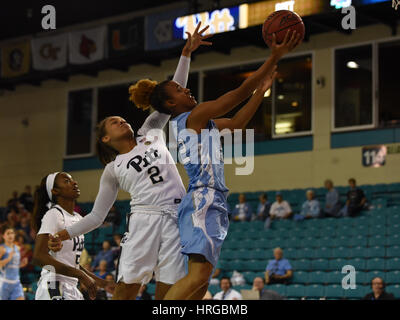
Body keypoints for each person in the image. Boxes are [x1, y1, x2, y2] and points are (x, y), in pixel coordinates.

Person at [130, 30, 301, 300]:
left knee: (201, 282)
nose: (185, 88)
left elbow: (236, 123)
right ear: (172, 103)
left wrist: (261, 91)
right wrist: (273, 58)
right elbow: (235, 96)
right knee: (198, 278)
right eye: (179, 89)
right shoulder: (192, 117)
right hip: (203, 196)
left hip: (211, 198)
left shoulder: (199, 123)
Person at [48, 24, 211, 300]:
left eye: (121, 118)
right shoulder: (113, 169)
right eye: (114, 122)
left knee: (169, 292)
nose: (121, 120)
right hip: (144, 219)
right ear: (105, 139)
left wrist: (186, 53)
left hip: (176, 217)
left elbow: (173, 94)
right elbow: (97, 217)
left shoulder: (150, 131)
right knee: (126, 290)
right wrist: (64, 234)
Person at [32, 172, 111, 300]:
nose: (74, 183)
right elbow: (38, 257)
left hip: (72, 286)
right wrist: (80, 275)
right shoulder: (54, 214)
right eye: (67, 181)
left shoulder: (78, 218)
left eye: (73, 180)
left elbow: (72, 262)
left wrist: (101, 282)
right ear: (55, 191)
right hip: (53, 284)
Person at [0, 225, 28, 300]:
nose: (10, 235)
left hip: (16, 283)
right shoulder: (2, 249)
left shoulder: (17, 248)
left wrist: (22, 264)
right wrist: (8, 258)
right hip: (4, 283)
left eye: (12, 233)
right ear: (3, 236)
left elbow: (13, 266)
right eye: (8, 233)